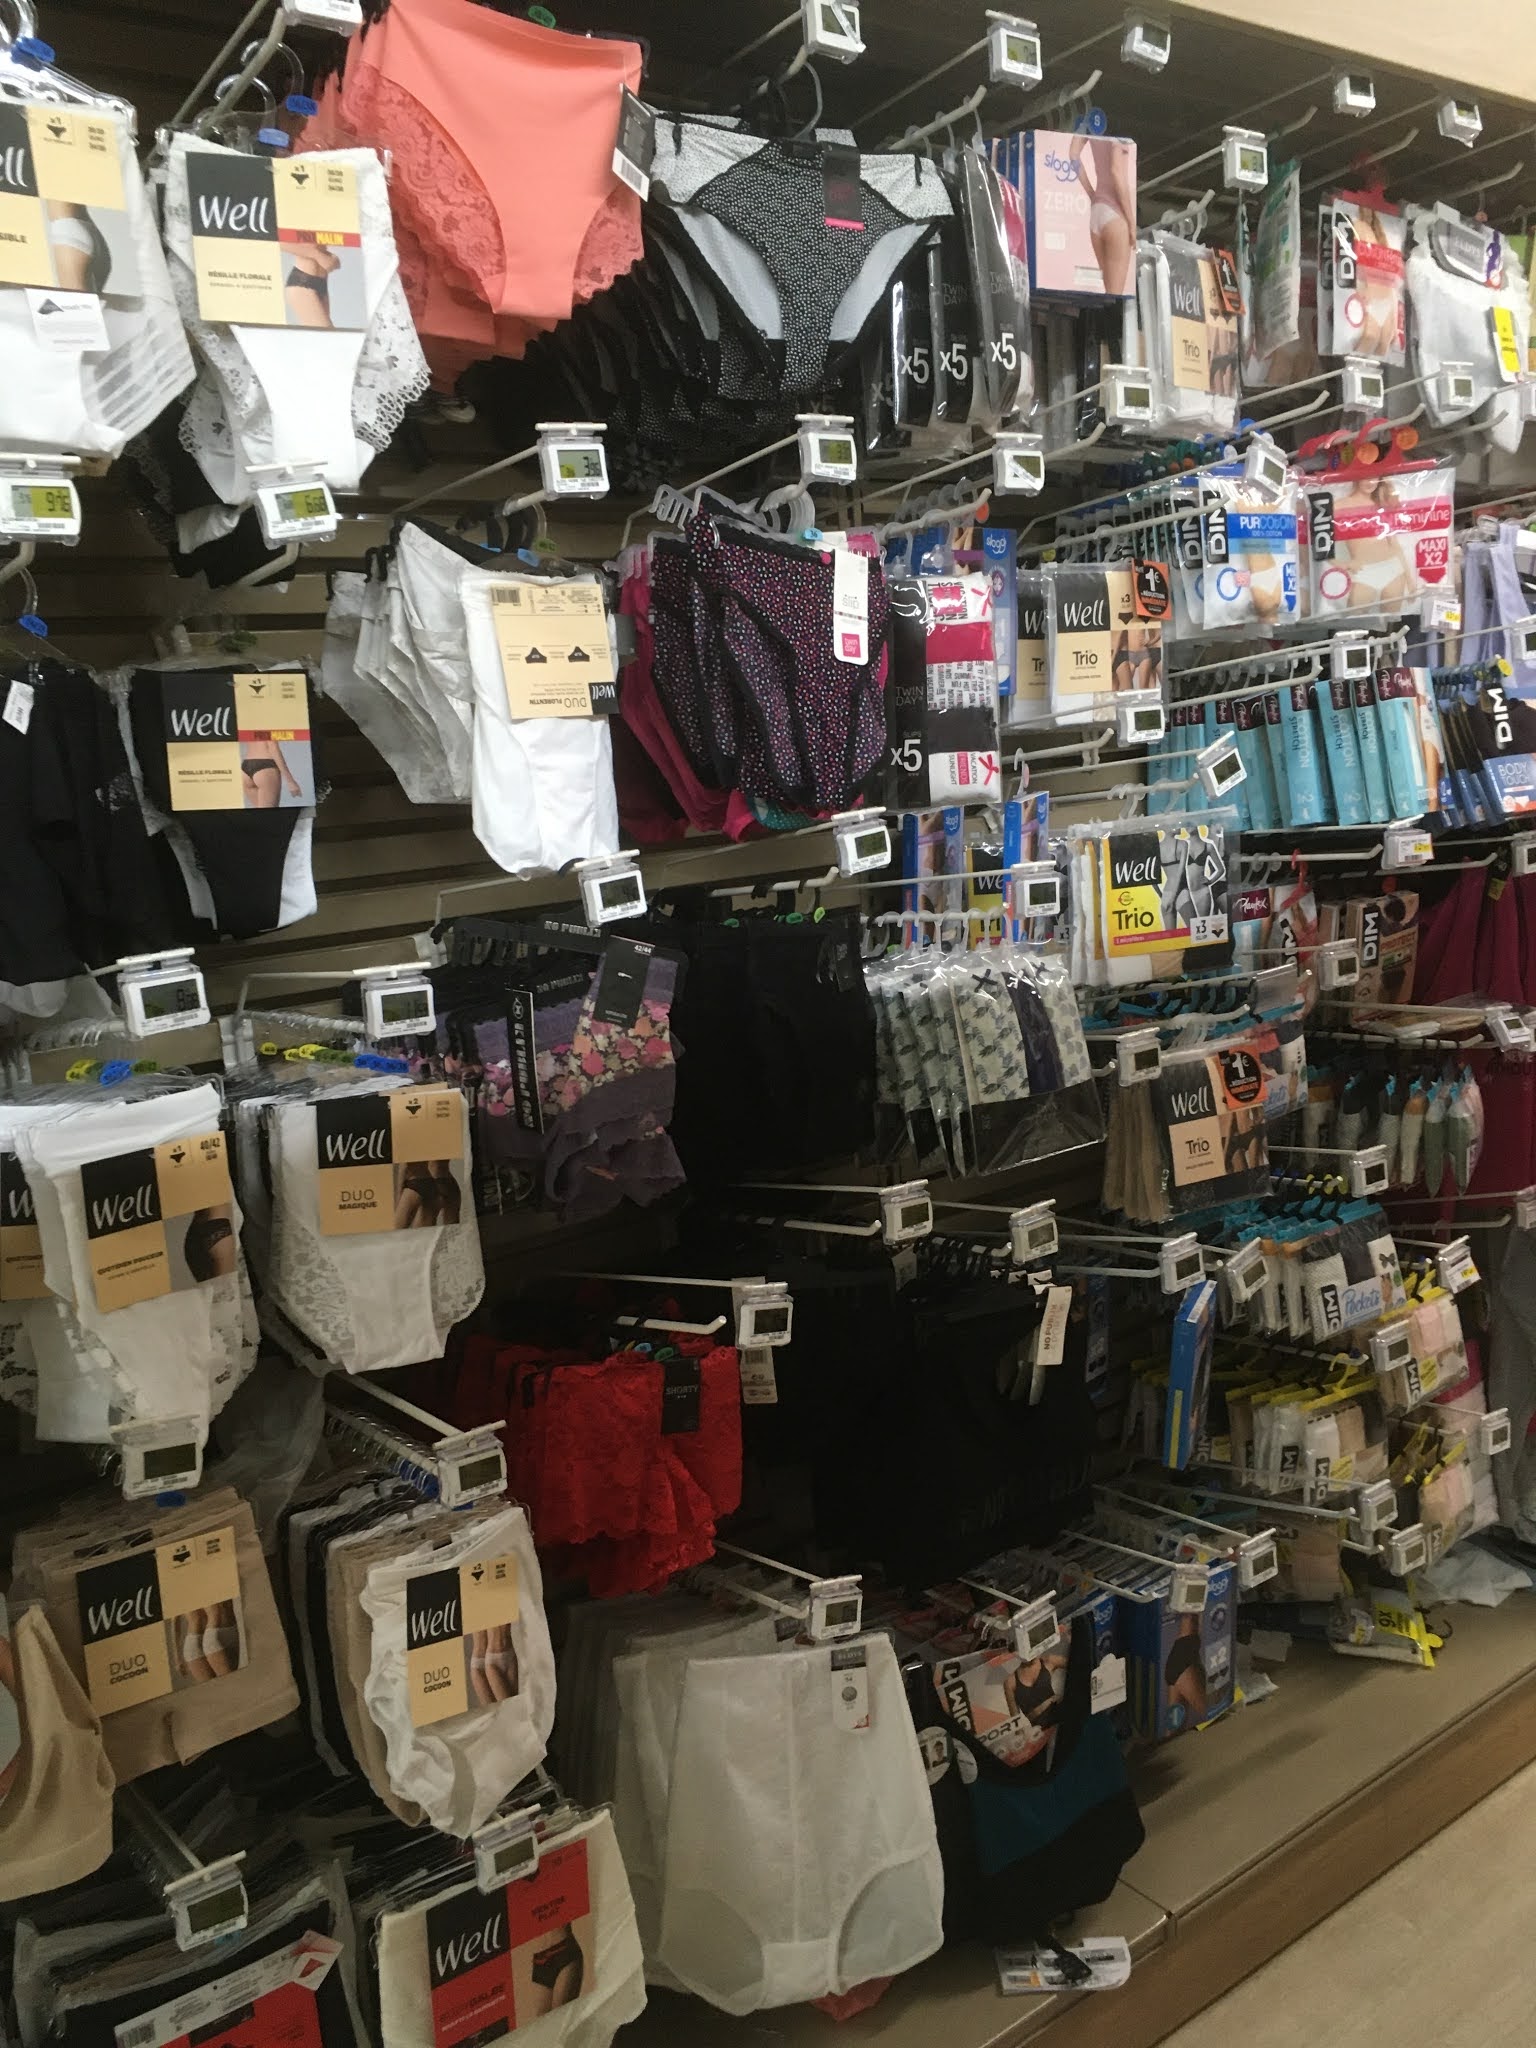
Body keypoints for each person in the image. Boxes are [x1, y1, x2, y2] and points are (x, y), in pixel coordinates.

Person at [1068, 134, 1136, 296]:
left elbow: (1073, 155)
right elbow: (1117, 172)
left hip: (1097, 211)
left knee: (1109, 294)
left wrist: (1092, 194)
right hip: (1115, 215)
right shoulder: (1119, 131)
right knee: (1115, 297)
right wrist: (1131, 222)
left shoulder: (1090, 124)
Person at [284, 242, 341, 329]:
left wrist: (330, 257)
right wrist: (319, 256)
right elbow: (280, 243)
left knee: (324, 332)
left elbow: (315, 247)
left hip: (321, 283)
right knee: (326, 333)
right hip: (303, 282)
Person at [241, 735, 303, 809]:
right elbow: (273, 747)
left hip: (246, 765)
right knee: (270, 814)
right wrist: (290, 781)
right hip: (265, 767)